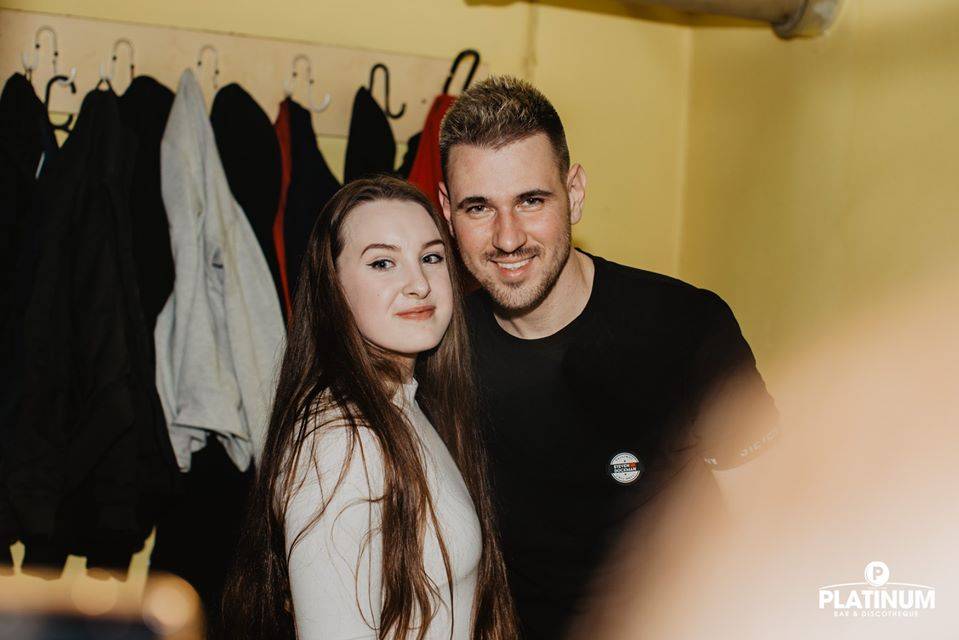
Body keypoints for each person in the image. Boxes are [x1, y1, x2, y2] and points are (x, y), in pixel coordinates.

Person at [437, 77, 780, 639]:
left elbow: (771, 520)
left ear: (574, 192)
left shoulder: (686, 326)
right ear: (448, 211)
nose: (507, 237)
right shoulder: (438, 353)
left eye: (531, 200)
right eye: (479, 208)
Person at [221, 176, 517, 640]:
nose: (418, 284)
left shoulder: (404, 402)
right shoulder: (339, 443)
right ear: (333, 288)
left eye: (431, 257)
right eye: (382, 262)